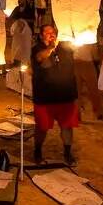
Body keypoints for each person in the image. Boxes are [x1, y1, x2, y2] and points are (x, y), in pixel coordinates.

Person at [31, 24, 79, 165]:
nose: (51, 35)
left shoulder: (65, 48)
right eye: (47, 32)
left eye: (53, 32)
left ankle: (67, 152)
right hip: (45, 97)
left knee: (67, 126)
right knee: (42, 127)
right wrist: (52, 47)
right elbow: (41, 59)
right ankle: (37, 150)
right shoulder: (37, 49)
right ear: (41, 35)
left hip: (65, 95)